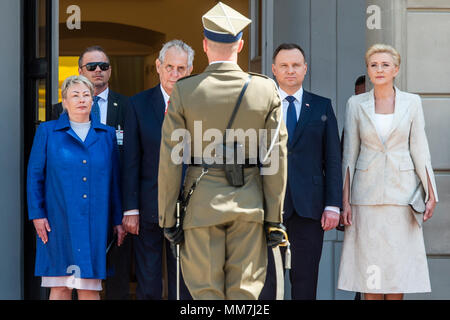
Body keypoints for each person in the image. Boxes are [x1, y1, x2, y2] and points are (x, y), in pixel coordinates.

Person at [158, 2, 288, 300]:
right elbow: (276, 159)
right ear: (240, 45)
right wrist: (274, 218)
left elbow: (170, 160)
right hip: (250, 206)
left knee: (206, 297)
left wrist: (168, 218)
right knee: (244, 297)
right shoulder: (265, 89)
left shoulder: (185, 90)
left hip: (201, 206)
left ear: (204, 45)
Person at [338, 44, 438, 300]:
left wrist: (431, 193)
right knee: (369, 274)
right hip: (365, 198)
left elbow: (420, 149)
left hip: (402, 197)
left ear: (396, 69)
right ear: (368, 71)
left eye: (385, 65)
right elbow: (349, 154)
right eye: (374, 65)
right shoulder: (355, 104)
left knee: (397, 274)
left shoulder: (412, 102)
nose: (379, 69)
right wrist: (345, 201)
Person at [27, 75, 126, 300]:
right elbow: (35, 176)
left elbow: (114, 181)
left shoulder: (107, 134)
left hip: (95, 222)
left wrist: (117, 219)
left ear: (92, 100)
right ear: (65, 101)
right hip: (56, 220)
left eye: (86, 95)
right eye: (75, 95)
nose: (81, 99)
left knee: (89, 287)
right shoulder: (47, 131)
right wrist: (37, 214)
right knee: (60, 287)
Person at [260, 43, 342, 300]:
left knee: (305, 283)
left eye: (296, 65)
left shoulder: (321, 107)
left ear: (305, 69)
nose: (290, 70)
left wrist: (333, 205)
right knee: (267, 284)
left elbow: (333, 159)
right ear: (274, 70)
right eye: (284, 65)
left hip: (309, 210)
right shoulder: (260, 107)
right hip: (268, 208)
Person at [50, 46, 131, 299]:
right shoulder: (56, 114)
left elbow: (130, 161)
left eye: (104, 66)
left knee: (108, 277)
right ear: (80, 70)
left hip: (109, 207)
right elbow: (40, 171)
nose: (98, 71)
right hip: (67, 209)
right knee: (64, 281)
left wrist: (124, 212)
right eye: (92, 67)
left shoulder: (128, 106)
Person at [122, 40, 194, 300]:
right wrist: (130, 209)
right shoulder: (138, 104)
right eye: (170, 67)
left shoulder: (199, 105)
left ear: (190, 70)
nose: (175, 74)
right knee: (149, 283)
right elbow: (131, 160)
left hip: (188, 209)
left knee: (183, 285)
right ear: (158, 67)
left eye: (181, 69)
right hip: (149, 207)